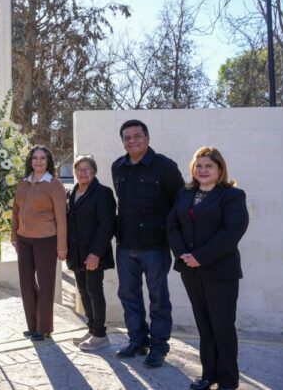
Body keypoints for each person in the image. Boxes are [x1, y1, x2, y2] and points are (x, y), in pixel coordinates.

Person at [167, 147, 248, 390]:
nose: (203, 170)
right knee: (204, 325)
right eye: (199, 165)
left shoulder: (232, 195)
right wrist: (183, 254)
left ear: (220, 169)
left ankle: (228, 380)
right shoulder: (185, 192)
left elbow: (233, 231)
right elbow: (172, 225)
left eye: (209, 166)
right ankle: (208, 375)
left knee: (222, 326)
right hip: (190, 271)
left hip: (220, 271)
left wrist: (200, 256)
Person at [111, 119, 184, 368]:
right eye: (127, 138)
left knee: (158, 299)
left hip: (156, 246)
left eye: (137, 136)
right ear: (123, 142)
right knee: (129, 296)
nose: (132, 141)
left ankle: (159, 347)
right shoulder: (118, 167)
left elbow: (179, 205)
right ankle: (137, 341)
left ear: (147, 138)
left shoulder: (165, 167)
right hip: (125, 245)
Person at [11, 145, 67, 342]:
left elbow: (61, 219)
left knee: (45, 284)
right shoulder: (23, 184)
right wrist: (14, 236)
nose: (38, 161)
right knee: (26, 283)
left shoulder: (55, 185)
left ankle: (44, 328)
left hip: (46, 241)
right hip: (24, 241)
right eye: (35, 158)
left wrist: (61, 247)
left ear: (48, 161)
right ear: (30, 161)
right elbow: (15, 212)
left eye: (42, 158)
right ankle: (32, 326)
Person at [66, 154, 116, 351]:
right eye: (78, 169)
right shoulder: (72, 192)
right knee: (84, 292)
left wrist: (95, 253)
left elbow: (107, 225)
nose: (82, 173)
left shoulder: (103, 192)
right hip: (76, 253)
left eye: (86, 169)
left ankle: (101, 335)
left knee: (94, 291)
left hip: (94, 253)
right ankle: (92, 328)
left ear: (94, 171)